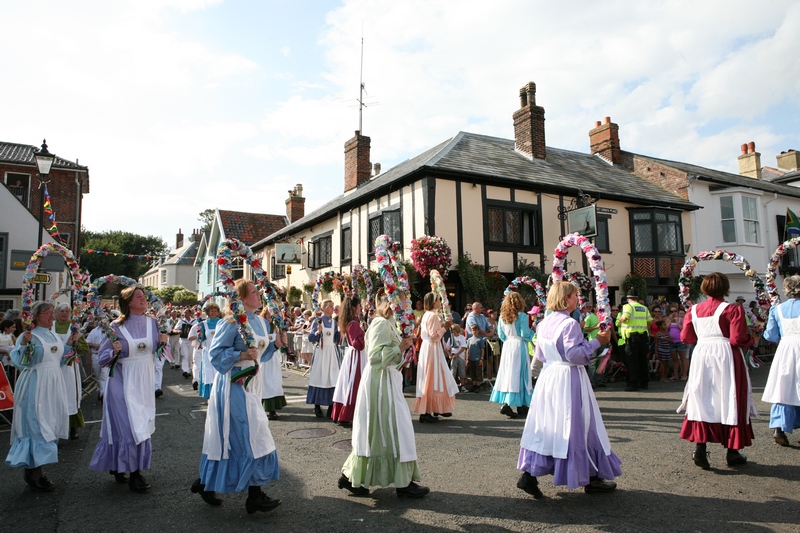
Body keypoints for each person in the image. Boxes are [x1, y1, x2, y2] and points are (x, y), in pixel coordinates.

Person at [517, 282, 620, 498]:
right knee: (580, 424)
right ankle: (591, 477)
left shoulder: (543, 324)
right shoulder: (570, 324)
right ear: (566, 299)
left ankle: (529, 474)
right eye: (575, 295)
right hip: (569, 378)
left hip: (549, 377)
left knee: (547, 425)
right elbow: (575, 355)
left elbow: (542, 354)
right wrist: (596, 342)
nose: (578, 299)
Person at [193, 279, 282, 514]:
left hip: (254, 386)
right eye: (253, 291)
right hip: (234, 386)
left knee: (244, 437)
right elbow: (216, 354)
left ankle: (205, 482)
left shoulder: (262, 323)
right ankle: (255, 495)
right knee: (248, 436)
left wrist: (276, 346)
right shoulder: (230, 323)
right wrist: (241, 353)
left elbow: (260, 354)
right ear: (241, 299)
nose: (258, 294)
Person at [338, 290, 428, 498]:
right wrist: (401, 347)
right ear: (392, 304)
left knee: (386, 431)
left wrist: (402, 348)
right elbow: (375, 357)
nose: (407, 306)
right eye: (404, 302)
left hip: (388, 380)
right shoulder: (381, 323)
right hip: (380, 384)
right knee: (390, 429)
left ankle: (355, 478)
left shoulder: (388, 323)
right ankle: (400, 483)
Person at [89, 286, 166, 493]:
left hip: (145, 381)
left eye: (144, 296)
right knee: (128, 427)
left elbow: (159, 354)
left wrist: (162, 344)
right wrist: (114, 352)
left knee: (142, 423)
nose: (143, 299)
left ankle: (121, 465)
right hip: (122, 381)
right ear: (128, 302)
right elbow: (104, 358)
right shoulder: (115, 326)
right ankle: (135, 473)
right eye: (138, 297)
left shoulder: (153, 323)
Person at [678, 272, 757, 469]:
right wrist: (751, 339)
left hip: (702, 354)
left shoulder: (694, 310)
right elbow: (736, 339)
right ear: (726, 287)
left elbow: (686, 338)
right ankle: (732, 451)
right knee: (730, 397)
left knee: (702, 397)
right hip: (726, 355)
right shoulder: (733, 309)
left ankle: (700, 447)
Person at [5, 302, 73, 492]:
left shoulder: (52, 334)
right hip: (36, 383)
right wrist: (24, 345)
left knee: (50, 422)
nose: (52, 316)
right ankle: (34, 471)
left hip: (53, 383)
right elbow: (20, 362)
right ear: (35, 316)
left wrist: (70, 345)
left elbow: (60, 360)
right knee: (36, 423)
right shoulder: (29, 336)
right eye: (48, 313)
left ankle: (37, 468)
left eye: (53, 313)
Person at [762, 275, 800, 446]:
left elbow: (770, 335)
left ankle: (778, 427)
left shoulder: (777, 309)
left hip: (786, 348)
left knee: (783, 387)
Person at [411, 293, 459, 423]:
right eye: (438, 299)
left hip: (430, 348)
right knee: (432, 376)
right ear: (433, 302)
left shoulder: (427, 315)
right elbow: (433, 335)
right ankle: (427, 410)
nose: (439, 301)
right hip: (432, 348)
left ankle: (437, 407)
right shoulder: (432, 316)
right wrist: (445, 327)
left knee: (434, 376)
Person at [491, 291, 535, 418]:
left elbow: (501, 335)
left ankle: (520, 405)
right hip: (519, 345)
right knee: (521, 373)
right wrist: (532, 334)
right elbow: (524, 333)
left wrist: (508, 341)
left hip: (508, 346)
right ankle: (510, 404)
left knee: (509, 374)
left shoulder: (502, 317)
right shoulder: (522, 316)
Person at [51, 302, 86, 440]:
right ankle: (55, 428)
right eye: (61, 311)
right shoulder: (50, 328)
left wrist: (76, 343)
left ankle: (73, 427)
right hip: (53, 366)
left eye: (67, 311)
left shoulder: (74, 328)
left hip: (69, 367)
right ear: (56, 313)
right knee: (54, 396)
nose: (64, 313)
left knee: (71, 396)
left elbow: (84, 349)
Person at [331, 296, 367, 428]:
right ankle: (346, 415)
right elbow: (357, 344)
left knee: (348, 384)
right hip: (356, 357)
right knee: (353, 385)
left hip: (354, 357)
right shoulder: (354, 324)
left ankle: (342, 414)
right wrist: (366, 336)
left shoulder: (352, 322)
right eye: (359, 307)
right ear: (354, 308)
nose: (360, 309)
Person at [307, 300, 341, 418]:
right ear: (323, 308)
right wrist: (318, 332)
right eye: (330, 306)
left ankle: (332, 406)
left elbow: (336, 338)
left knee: (333, 377)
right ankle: (317, 406)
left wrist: (340, 334)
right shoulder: (318, 321)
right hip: (321, 352)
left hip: (331, 352)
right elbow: (311, 338)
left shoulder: (334, 322)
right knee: (319, 377)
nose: (332, 309)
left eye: (332, 306)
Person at [618, 293, 652, 391]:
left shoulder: (628, 307)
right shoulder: (643, 308)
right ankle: (644, 383)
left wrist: (620, 321)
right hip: (643, 336)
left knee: (632, 361)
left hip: (632, 336)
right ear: (637, 298)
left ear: (628, 298)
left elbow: (625, 318)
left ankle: (633, 384)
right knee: (643, 360)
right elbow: (650, 321)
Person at [259, 306, 287, 421]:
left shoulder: (276, 328)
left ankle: (273, 409)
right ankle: (264, 407)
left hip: (274, 358)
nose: (270, 318)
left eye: (272, 316)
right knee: (265, 382)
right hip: (265, 358)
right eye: (268, 315)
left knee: (274, 381)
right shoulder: (261, 328)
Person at [197, 302, 222, 399]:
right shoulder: (203, 324)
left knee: (218, 371)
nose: (213, 312)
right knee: (209, 372)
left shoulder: (221, 322)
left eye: (215, 311)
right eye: (211, 311)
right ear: (207, 312)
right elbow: (201, 339)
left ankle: (219, 392)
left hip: (219, 350)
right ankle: (210, 394)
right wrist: (200, 336)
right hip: (208, 351)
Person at [172, 308, 195, 379]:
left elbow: (198, 329)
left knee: (190, 356)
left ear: (190, 313)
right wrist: (178, 331)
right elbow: (174, 329)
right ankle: (185, 371)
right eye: (184, 313)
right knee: (184, 355)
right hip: (183, 340)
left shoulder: (194, 321)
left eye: (186, 313)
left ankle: (189, 369)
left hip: (191, 340)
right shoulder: (181, 321)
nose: (185, 314)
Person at [667, 306, 688, 381]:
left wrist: (676, 322)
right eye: (671, 311)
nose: (673, 313)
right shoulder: (668, 319)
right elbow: (665, 328)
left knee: (683, 358)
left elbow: (683, 329)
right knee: (674, 359)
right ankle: (676, 375)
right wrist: (670, 320)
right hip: (671, 342)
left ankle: (684, 375)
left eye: (675, 311)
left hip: (680, 341)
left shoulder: (681, 319)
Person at [465, 325, 485, 395]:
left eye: (476, 330)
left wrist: (481, 358)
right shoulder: (469, 340)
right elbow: (468, 349)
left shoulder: (480, 340)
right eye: (473, 330)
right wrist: (467, 358)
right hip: (471, 358)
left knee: (478, 372)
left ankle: (478, 385)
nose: (475, 332)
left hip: (477, 359)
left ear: (478, 331)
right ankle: (474, 384)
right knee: (472, 372)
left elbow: (482, 349)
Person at [449, 324, 468, 393]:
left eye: (453, 330)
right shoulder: (451, 337)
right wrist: (449, 355)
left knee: (462, 371)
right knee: (453, 371)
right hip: (453, 356)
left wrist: (457, 354)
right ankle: (452, 386)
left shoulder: (462, 337)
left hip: (460, 356)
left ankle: (462, 385)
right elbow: (447, 347)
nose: (452, 332)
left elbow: (463, 347)